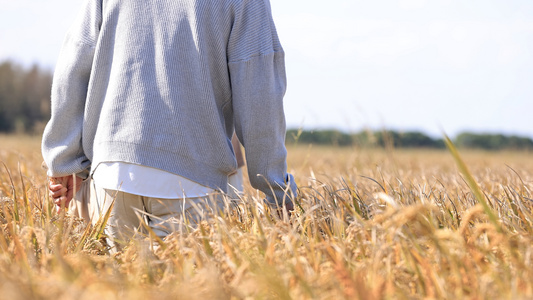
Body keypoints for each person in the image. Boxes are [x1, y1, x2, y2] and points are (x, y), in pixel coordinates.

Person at [43, 0, 297, 249]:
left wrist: (64, 162)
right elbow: (259, 93)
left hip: (112, 174)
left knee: (120, 288)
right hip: (193, 185)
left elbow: (74, 62)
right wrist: (276, 190)